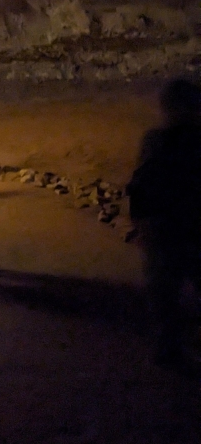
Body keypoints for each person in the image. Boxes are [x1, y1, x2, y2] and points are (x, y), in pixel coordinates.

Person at [128, 78, 201, 370]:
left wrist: (142, 224)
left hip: (164, 229)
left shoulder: (154, 140)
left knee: (164, 294)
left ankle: (169, 350)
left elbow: (140, 185)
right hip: (191, 227)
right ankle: (171, 348)